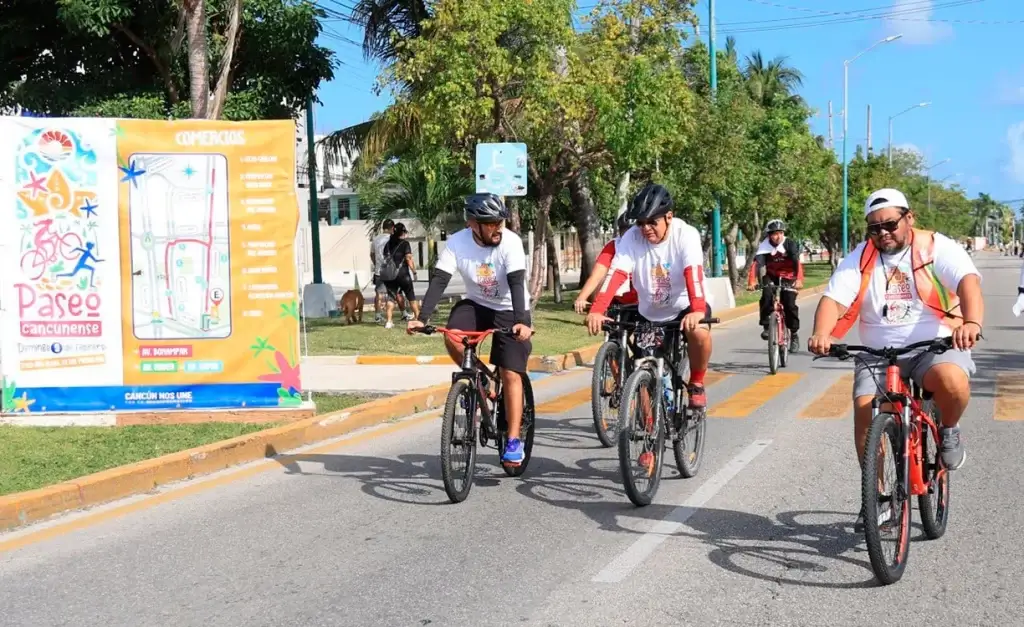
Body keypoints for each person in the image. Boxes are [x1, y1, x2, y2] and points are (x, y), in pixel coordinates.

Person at [806, 188, 982, 529]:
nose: (883, 234)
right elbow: (834, 299)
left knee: (953, 383)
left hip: (934, 347)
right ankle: (881, 498)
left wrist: (972, 322)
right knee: (864, 409)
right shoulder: (859, 257)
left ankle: (948, 429)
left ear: (909, 218)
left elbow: (967, 282)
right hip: (877, 355)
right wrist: (822, 333)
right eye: (874, 228)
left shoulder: (935, 247)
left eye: (889, 225)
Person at [407, 193, 534, 465]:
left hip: (511, 307)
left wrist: (522, 321)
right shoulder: (457, 242)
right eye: (490, 223)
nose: (497, 227)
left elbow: (516, 282)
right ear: (473, 224)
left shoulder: (509, 242)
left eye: (500, 221)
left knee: (512, 372)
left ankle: (513, 440)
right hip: (477, 304)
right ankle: (480, 379)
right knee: (453, 337)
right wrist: (423, 317)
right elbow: (440, 279)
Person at [584, 182, 714, 409]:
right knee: (642, 371)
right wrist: (597, 308)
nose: (645, 229)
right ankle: (648, 431)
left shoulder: (686, 235)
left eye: (652, 222)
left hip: (685, 305)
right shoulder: (632, 238)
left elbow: (693, 274)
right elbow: (616, 274)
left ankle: (696, 382)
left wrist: (697, 310)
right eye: (641, 223)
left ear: (669, 217)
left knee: (699, 333)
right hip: (650, 312)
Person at [747, 219, 803, 351]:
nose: (778, 237)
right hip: (772, 275)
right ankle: (767, 326)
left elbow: (797, 263)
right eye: (774, 234)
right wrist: (752, 281)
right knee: (766, 294)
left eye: (780, 233)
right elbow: (757, 264)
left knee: (789, 303)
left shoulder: (789, 244)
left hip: (789, 276)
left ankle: (794, 333)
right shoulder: (764, 246)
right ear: (769, 235)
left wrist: (799, 279)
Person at [573, 211, 639, 314]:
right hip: (618, 301)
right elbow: (596, 276)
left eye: (633, 233)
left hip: (645, 302)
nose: (628, 237)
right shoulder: (614, 246)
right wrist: (581, 298)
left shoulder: (648, 246)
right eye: (624, 232)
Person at [382, 223, 419, 328]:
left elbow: (385, 258)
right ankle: (418, 318)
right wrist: (414, 272)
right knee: (411, 296)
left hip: (390, 276)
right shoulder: (405, 244)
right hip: (403, 275)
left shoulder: (387, 245)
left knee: (391, 298)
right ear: (402, 232)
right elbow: (408, 259)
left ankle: (389, 321)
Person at [370, 219, 394, 324]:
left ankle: (378, 315)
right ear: (392, 228)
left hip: (379, 271)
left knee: (378, 294)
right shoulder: (392, 239)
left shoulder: (375, 239)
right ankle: (391, 318)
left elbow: (372, 254)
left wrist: (376, 264)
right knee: (391, 294)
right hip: (390, 271)